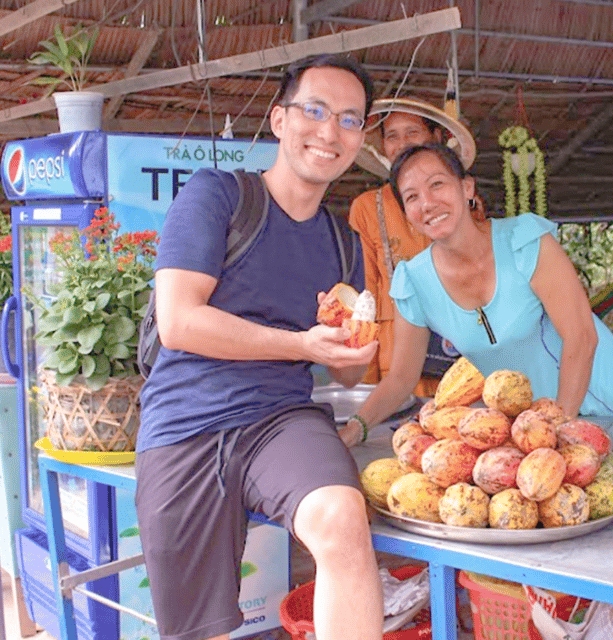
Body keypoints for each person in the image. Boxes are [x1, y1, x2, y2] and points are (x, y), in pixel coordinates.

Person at [135, 54, 384, 640]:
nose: (330, 131)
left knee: (343, 521)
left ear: (360, 138)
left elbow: (344, 376)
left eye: (350, 119)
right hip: (185, 423)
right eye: (315, 110)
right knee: (201, 629)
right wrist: (302, 342)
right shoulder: (217, 196)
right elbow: (179, 322)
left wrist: (351, 355)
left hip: (280, 420)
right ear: (279, 120)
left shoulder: (345, 247)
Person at [352, 143, 613, 437]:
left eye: (437, 184)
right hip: (529, 425)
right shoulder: (413, 283)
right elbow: (402, 378)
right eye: (412, 197)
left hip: (600, 402)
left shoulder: (524, 242)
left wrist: (557, 429)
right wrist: (356, 427)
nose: (427, 203)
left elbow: (581, 337)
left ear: (467, 188)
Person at [348, 98, 476, 400]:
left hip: (460, 350)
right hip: (394, 355)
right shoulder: (366, 208)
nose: (402, 143)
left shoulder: (457, 196)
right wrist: (366, 377)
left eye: (412, 132)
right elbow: (364, 293)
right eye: (391, 135)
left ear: (436, 138)